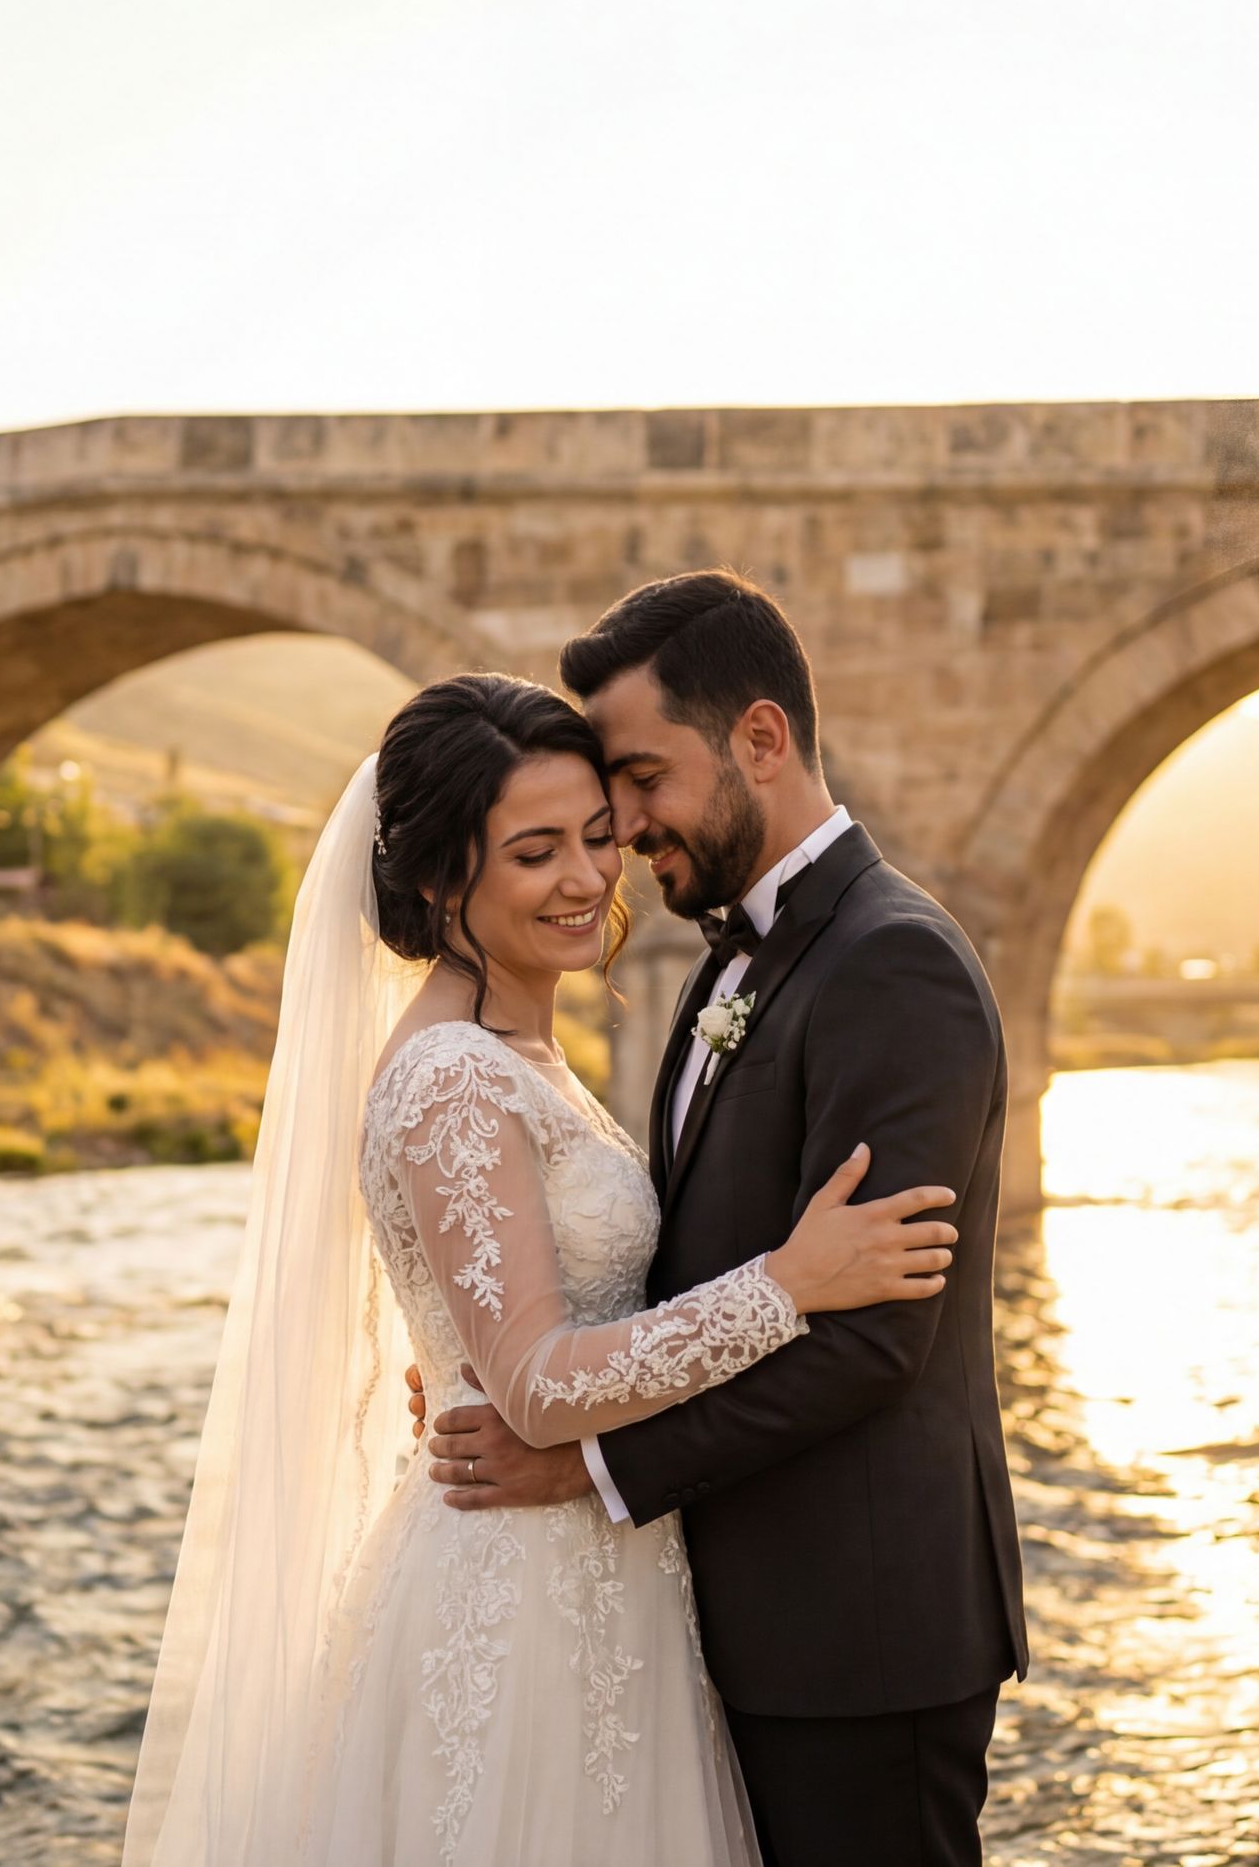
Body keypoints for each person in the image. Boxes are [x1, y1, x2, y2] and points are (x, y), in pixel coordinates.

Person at [122, 668, 959, 1866]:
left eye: (596, 837)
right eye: (534, 852)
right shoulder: (453, 1077)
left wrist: (470, 1358)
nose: (586, 878)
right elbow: (537, 1386)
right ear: (438, 879)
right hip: (519, 1590)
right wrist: (787, 1284)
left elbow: (522, 1327)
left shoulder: (518, 1052)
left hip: (603, 1569)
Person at [418, 571, 1027, 1867]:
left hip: (859, 1637)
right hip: (731, 1621)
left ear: (760, 737)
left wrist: (587, 1467)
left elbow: (873, 1341)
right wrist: (507, 1356)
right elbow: (689, 1265)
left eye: (642, 781)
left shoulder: (892, 962)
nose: (625, 833)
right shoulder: (729, 960)